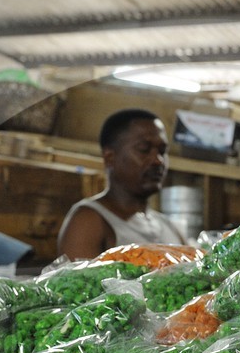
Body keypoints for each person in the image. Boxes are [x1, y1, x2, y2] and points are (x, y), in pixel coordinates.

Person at [58, 109, 186, 260]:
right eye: (144, 149)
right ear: (110, 157)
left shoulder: (169, 226)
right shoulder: (89, 221)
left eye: (162, 151)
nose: (158, 160)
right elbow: (78, 282)